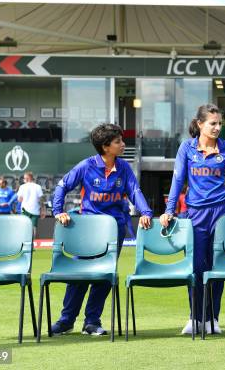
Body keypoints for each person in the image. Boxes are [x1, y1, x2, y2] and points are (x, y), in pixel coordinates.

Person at [159, 104, 225, 335]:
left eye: (220, 124)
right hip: (194, 215)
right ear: (200, 124)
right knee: (195, 269)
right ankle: (195, 318)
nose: (217, 128)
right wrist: (170, 210)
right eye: (212, 123)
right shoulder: (186, 148)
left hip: (221, 214)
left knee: (217, 268)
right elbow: (177, 180)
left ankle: (213, 318)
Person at [50, 123, 153, 336]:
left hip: (114, 228)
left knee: (104, 274)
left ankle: (92, 322)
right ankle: (66, 320)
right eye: (118, 142)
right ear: (106, 147)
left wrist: (146, 212)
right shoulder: (85, 166)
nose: (123, 144)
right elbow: (62, 186)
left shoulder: (123, 167)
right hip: (87, 230)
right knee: (79, 275)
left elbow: (134, 190)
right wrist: (58, 210)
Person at [16, 172, 46, 237]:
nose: (23, 180)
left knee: (25, 227)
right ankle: (33, 243)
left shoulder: (22, 186)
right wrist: (43, 210)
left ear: (28, 178)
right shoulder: (38, 187)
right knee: (34, 227)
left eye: (24, 178)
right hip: (35, 210)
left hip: (25, 210)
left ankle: (25, 242)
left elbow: (19, 199)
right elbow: (41, 200)